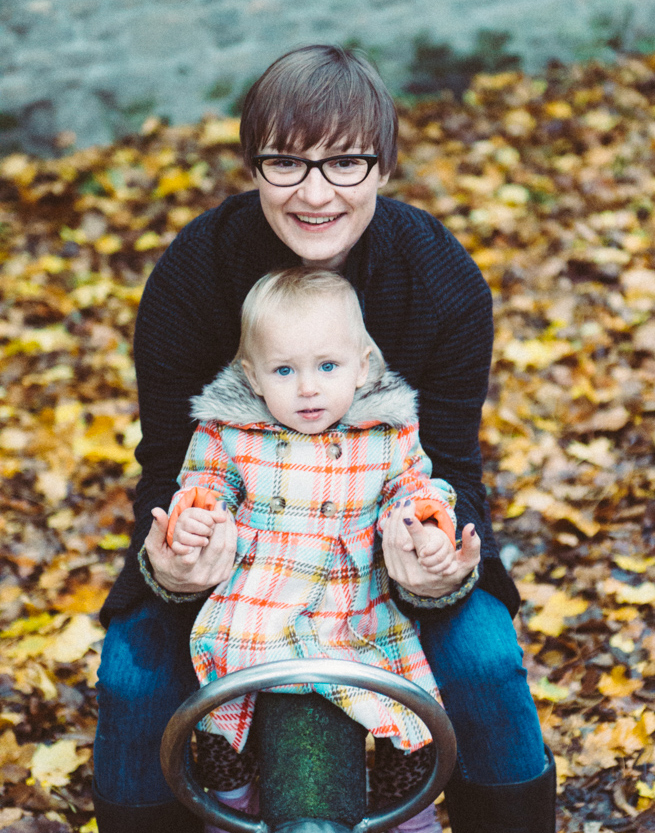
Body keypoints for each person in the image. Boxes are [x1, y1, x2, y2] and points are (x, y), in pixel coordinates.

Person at [93, 44, 555, 833]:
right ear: (252, 165)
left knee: (485, 660)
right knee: (134, 676)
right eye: (286, 162)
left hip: (383, 548)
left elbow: (453, 468)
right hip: (241, 560)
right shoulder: (194, 275)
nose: (314, 192)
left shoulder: (439, 281)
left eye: (344, 163)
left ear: (382, 166)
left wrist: (436, 556)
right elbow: (167, 471)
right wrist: (172, 559)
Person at [166, 267, 463, 832]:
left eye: (327, 367)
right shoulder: (232, 434)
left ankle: (409, 816)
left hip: (357, 616)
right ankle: (232, 809)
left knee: (414, 719)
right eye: (284, 370)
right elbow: (206, 486)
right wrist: (196, 520)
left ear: (363, 368)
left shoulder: (385, 433)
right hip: (258, 613)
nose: (307, 388)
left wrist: (425, 528)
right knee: (225, 726)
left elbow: (414, 488)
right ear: (253, 379)